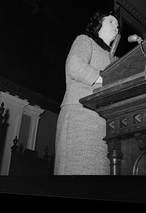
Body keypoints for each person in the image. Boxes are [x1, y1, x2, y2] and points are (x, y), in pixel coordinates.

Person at [54, 9, 119, 175]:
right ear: (98, 24)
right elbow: (74, 66)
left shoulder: (116, 60)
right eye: (111, 21)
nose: (116, 26)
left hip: (105, 124)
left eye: (117, 25)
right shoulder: (85, 40)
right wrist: (108, 79)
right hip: (79, 116)